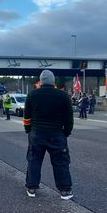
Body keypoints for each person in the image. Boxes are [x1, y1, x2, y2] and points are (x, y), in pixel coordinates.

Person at [23, 70, 74, 200]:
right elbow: (69, 118)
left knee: (34, 161)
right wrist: (66, 132)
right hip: (57, 133)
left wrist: (28, 129)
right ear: (53, 81)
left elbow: (27, 116)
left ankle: (32, 188)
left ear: (41, 81)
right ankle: (64, 190)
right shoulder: (63, 96)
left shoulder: (32, 95)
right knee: (61, 163)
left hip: (37, 133)